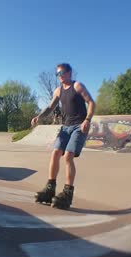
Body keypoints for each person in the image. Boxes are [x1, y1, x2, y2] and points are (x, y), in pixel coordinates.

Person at [31, 63, 96, 209]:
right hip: (65, 127)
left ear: (69, 73)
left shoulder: (77, 86)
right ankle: (50, 189)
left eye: (62, 72)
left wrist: (87, 119)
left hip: (79, 126)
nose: (60, 76)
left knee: (68, 156)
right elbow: (50, 107)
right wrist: (39, 117)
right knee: (55, 153)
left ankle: (67, 194)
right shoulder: (58, 91)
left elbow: (91, 102)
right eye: (58, 74)